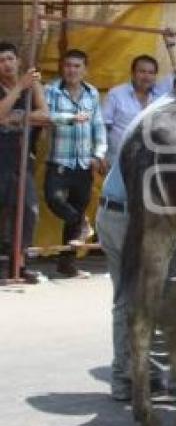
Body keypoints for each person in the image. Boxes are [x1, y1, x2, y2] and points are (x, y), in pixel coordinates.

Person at [97, 56, 176, 401]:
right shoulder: (172, 121)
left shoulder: (164, 112)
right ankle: (137, 380)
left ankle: (137, 377)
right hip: (135, 218)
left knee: (140, 299)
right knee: (145, 298)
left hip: (130, 215)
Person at [44, 49, 108, 277]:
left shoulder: (91, 93)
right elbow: (45, 116)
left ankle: (67, 264)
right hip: (59, 162)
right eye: (68, 65)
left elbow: (98, 127)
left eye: (77, 66)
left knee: (76, 213)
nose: (72, 70)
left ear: (84, 70)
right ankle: (82, 223)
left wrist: (99, 154)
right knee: (54, 200)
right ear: (62, 68)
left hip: (84, 164)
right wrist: (70, 118)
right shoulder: (51, 90)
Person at [0, 41, 50, 284]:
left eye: (10, 58)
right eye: (1, 61)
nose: (7, 64)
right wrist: (19, 87)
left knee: (28, 211)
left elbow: (45, 115)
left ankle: (19, 265)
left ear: (18, 60)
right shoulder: (22, 85)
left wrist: (18, 116)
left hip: (21, 157)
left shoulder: (34, 84)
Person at [101, 54, 162, 166]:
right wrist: (101, 155)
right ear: (133, 74)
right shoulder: (116, 94)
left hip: (147, 164)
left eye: (151, 72)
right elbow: (103, 127)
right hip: (117, 161)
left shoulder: (160, 98)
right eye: (142, 71)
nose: (146, 76)